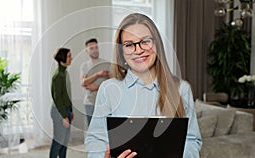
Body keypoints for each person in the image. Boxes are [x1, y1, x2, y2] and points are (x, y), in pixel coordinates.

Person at [85, 13, 202, 158]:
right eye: (129, 45)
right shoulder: (108, 89)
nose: (138, 50)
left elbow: (192, 140)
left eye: (145, 41)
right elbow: (96, 140)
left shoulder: (181, 88)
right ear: (122, 51)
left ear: (157, 44)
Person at [80, 38, 111, 127]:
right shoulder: (84, 66)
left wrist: (96, 88)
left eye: (96, 47)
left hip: (104, 103)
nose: (95, 50)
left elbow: (112, 84)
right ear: (87, 51)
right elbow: (83, 82)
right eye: (91, 48)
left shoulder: (106, 63)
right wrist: (98, 74)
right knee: (91, 130)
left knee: (104, 130)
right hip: (89, 103)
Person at [50, 48, 74, 158]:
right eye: (69, 56)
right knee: (58, 141)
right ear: (62, 59)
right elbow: (57, 98)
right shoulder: (58, 76)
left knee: (64, 142)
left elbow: (67, 95)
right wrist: (64, 116)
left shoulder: (65, 73)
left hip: (66, 110)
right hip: (59, 112)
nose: (71, 58)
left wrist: (71, 111)